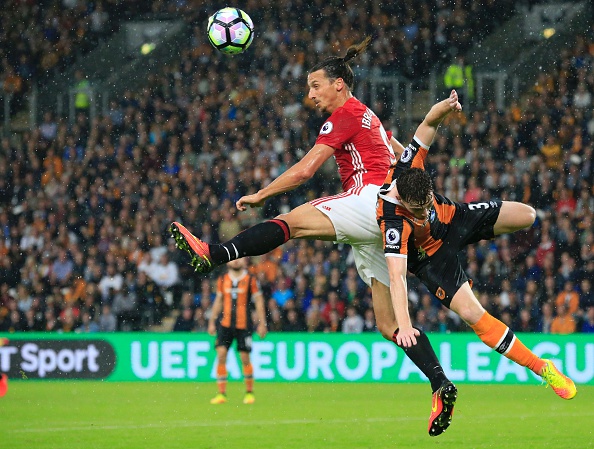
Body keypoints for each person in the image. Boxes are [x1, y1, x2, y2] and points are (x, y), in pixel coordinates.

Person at [172, 38, 459, 435]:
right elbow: (399, 151)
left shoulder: (343, 115)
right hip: (386, 218)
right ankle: (440, 382)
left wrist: (261, 194)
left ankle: (216, 253)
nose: (310, 95)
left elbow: (306, 171)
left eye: (315, 85)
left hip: (368, 199)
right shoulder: (368, 115)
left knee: (292, 222)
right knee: (388, 324)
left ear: (339, 84)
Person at [375, 90, 577, 402]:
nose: (424, 211)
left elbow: (427, 124)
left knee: (528, 215)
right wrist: (404, 326)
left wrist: (445, 108)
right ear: (403, 203)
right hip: (430, 258)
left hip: (454, 217)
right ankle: (542, 367)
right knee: (473, 313)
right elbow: (397, 277)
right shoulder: (393, 222)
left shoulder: (410, 167)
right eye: (420, 210)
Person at [207, 258, 267, 405]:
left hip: (244, 325)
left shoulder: (251, 279)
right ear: (227, 262)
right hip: (225, 324)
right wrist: (211, 321)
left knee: (244, 358)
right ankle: (221, 394)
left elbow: (259, 301)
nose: (235, 262)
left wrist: (262, 323)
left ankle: (249, 393)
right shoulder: (222, 280)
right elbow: (219, 301)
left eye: (238, 259)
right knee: (221, 355)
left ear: (244, 262)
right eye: (233, 259)